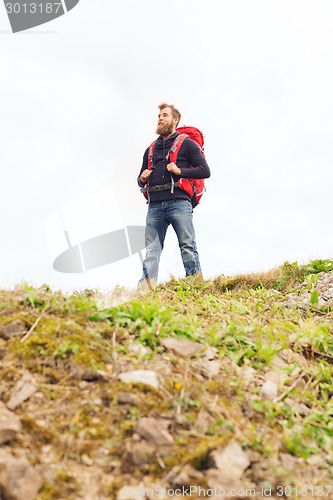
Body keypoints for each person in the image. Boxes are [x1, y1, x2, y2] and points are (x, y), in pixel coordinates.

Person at [137, 103, 211, 288]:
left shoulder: (187, 144)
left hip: (179, 203)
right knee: (151, 250)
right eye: (159, 116)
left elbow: (205, 170)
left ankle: (195, 284)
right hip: (154, 206)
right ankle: (145, 289)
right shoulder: (150, 149)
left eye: (165, 115)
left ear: (175, 120)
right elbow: (139, 181)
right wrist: (142, 178)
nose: (160, 118)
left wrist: (180, 171)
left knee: (187, 245)